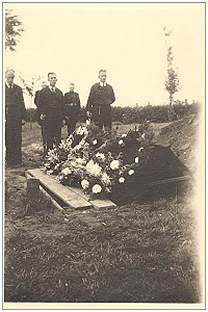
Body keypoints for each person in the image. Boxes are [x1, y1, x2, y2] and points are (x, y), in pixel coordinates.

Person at [5, 69, 26, 167]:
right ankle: (9, 160)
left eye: (12, 77)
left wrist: (23, 117)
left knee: (17, 138)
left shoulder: (18, 89)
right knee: (8, 138)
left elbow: (22, 103)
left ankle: (17, 160)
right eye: (9, 77)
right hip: (6, 117)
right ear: (5, 76)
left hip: (17, 117)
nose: (11, 79)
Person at [38, 72, 64, 151]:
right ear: (48, 79)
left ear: (57, 80)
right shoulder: (43, 92)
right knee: (48, 136)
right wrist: (42, 113)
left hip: (57, 118)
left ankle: (57, 155)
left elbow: (62, 106)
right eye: (51, 78)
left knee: (57, 136)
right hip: (48, 117)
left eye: (54, 78)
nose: (53, 80)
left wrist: (62, 118)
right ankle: (49, 153)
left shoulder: (59, 92)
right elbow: (40, 104)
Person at [34, 81, 47, 154]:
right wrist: (41, 109)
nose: (44, 87)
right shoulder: (38, 92)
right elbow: (36, 101)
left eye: (45, 86)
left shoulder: (49, 93)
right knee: (44, 130)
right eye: (43, 86)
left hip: (49, 114)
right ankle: (44, 144)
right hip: (41, 114)